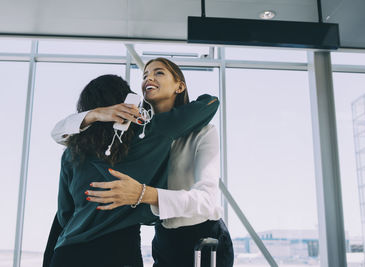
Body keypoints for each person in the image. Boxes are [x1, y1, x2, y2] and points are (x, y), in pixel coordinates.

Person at [46, 58, 233, 267]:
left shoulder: (195, 133)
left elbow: (64, 214)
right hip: (156, 241)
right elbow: (210, 103)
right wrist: (96, 114)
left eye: (159, 73)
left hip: (202, 239)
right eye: (144, 75)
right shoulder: (140, 136)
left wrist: (143, 194)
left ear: (180, 86)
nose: (148, 78)